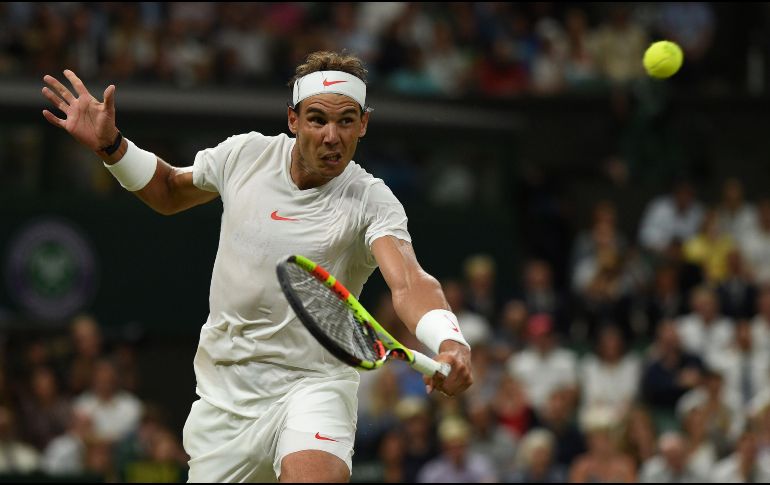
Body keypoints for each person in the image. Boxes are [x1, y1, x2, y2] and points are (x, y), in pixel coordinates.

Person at [41, 51, 473, 482]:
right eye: (317, 119)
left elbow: (410, 282)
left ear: (363, 124)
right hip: (227, 398)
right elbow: (169, 189)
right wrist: (112, 146)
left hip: (314, 384)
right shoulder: (244, 156)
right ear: (293, 120)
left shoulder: (372, 201)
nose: (331, 136)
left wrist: (449, 341)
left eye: (346, 121)